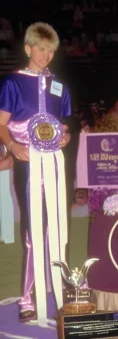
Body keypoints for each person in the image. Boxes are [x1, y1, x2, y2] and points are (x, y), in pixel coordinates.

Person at [0, 22, 72, 323]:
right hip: (29, 164)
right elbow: (1, 123)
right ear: (28, 48)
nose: (45, 55)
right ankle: (27, 298)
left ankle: (60, 289)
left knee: (58, 225)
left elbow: (65, 124)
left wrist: (66, 137)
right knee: (33, 231)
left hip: (54, 163)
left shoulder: (60, 86)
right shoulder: (13, 83)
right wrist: (13, 146)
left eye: (51, 50)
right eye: (40, 49)